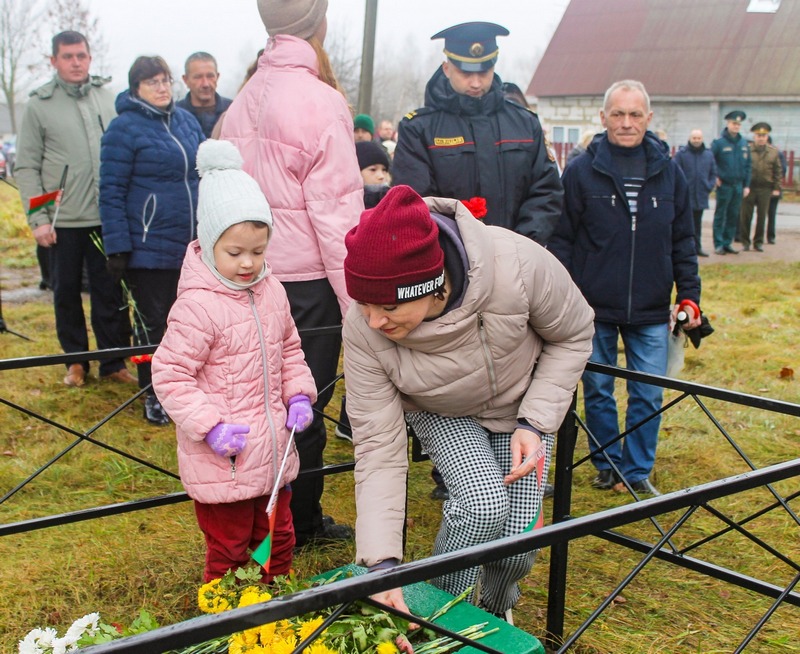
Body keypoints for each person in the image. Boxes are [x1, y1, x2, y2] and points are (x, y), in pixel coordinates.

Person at [342, 185, 594, 621]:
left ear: (433, 286)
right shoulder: (364, 330)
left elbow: (573, 334)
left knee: (519, 541)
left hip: (521, 405)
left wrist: (535, 422)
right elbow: (378, 448)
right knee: (482, 506)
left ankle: (494, 612)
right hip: (440, 409)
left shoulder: (518, 263)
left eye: (387, 307)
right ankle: (442, 615)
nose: (374, 321)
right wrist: (381, 566)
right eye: (363, 303)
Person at [220, 0, 363, 547]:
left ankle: (257, 520)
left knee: (257, 399)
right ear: (319, 24)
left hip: (248, 274)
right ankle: (297, 524)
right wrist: (356, 302)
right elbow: (336, 213)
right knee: (303, 405)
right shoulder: (321, 101)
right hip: (305, 283)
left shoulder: (242, 99)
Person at [152, 139, 317, 584]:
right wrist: (210, 427)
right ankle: (226, 613)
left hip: (272, 455)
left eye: (258, 252)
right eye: (235, 253)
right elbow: (170, 374)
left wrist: (299, 394)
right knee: (230, 546)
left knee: (278, 538)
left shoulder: (272, 291)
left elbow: (289, 348)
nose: (248, 263)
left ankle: (276, 598)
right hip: (224, 461)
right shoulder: (198, 306)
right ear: (209, 245)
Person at [549, 80, 702, 497]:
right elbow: (562, 239)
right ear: (604, 117)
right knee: (598, 390)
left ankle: (636, 471)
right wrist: (565, 295)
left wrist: (689, 296)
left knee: (648, 392)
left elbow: (683, 240)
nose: (627, 122)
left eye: (635, 114)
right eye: (618, 114)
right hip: (593, 307)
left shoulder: (670, 172)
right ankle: (607, 464)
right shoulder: (581, 171)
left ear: (648, 118)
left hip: (651, 307)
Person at [15, 30, 134, 388]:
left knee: (110, 293)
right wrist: (38, 220)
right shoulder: (39, 106)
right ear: (54, 61)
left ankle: (113, 362)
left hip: (106, 218)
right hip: (62, 221)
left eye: (81, 55)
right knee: (65, 293)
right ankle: (76, 361)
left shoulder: (107, 99)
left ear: (89, 58)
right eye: (68, 56)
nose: (76, 62)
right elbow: (27, 167)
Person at [99, 55, 205, 425]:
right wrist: (117, 246)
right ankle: (153, 393)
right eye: (152, 82)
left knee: (190, 321)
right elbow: (111, 190)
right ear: (136, 88)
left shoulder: (186, 121)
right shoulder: (123, 129)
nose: (162, 88)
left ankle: (186, 387)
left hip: (191, 243)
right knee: (152, 323)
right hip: (148, 246)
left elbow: (204, 171)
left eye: (165, 80)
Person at [392, 22, 563, 245]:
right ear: (447, 68)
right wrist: (456, 250)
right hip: (450, 257)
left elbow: (546, 192)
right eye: (465, 73)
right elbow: (416, 203)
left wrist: (519, 246)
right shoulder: (418, 129)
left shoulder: (525, 123)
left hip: (519, 255)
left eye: (484, 72)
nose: (475, 83)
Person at [711, 110, 751, 255]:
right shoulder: (719, 143)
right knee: (721, 215)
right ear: (728, 123)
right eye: (734, 123)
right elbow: (710, 161)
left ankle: (728, 242)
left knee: (733, 215)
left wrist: (746, 185)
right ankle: (718, 244)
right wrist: (715, 176)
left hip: (738, 185)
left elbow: (748, 166)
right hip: (724, 185)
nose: (736, 126)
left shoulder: (743, 143)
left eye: (738, 124)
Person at [738, 122, 783, 252]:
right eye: (758, 135)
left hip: (765, 188)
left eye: (763, 136)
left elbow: (778, 171)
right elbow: (742, 168)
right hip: (749, 187)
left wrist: (776, 188)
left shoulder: (773, 152)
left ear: (767, 137)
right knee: (745, 216)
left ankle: (758, 242)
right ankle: (745, 242)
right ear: (754, 136)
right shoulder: (747, 150)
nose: (761, 138)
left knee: (762, 217)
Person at [674, 129, 717, 257]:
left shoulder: (708, 155)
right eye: (694, 138)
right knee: (684, 225)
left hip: (701, 195)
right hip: (685, 196)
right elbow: (676, 173)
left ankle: (697, 248)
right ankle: (685, 249)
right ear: (690, 139)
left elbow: (713, 173)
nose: (696, 141)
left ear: (702, 139)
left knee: (697, 225)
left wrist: (709, 186)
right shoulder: (682, 155)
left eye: (699, 138)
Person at [176, 52, 232, 139]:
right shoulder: (174, 116)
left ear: (217, 77)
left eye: (210, 76)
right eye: (198, 77)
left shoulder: (232, 110)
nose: (205, 84)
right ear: (185, 80)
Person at [767, 135, 788, 245]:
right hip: (760, 188)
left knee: (771, 213)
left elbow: (782, 170)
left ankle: (771, 236)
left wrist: (775, 184)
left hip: (773, 188)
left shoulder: (777, 153)